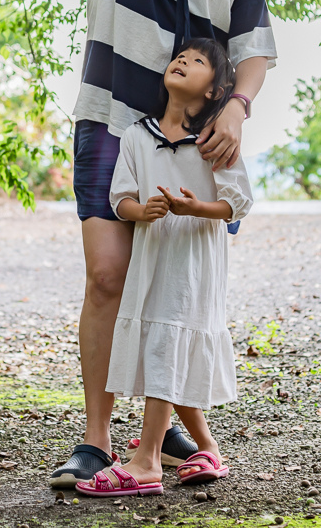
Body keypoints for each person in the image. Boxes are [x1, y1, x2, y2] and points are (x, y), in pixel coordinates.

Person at [38, 0, 277, 488]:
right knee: (110, 276)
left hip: (190, 149)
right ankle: (100, 441)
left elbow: (252, 54)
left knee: (170, 287)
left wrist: (236, 109)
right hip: (111, 122)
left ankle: (170, 427)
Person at [76, 39, 253, 497]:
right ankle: (208, 447)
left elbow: (238, 202)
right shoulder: (137, 135)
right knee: (165, 347)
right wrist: (143, 212)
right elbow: (120, 198)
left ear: (214, 90)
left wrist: (197, 209)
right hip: (153, 258)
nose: (183, 61)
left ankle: (147, 460)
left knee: (169, 343)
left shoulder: (217, 137)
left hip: (194, 263)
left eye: (197, 62)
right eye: (181, 57)